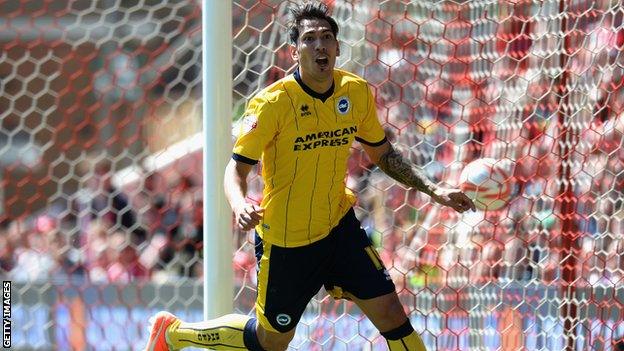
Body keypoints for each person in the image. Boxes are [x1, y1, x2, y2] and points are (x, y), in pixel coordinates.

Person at [144, 2, 475, 350]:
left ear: (337, 47)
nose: (320, 45)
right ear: (294, 50)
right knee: (271, 340)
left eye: (327, 38)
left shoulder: (356, 92)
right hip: (288, 241)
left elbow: (383, 154)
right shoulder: (272, 104)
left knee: (392, 313)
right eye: (309, 39)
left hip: (338, 227)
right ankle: (174, 334)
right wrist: (240, 205)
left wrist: (433, 189)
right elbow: (236, 169)